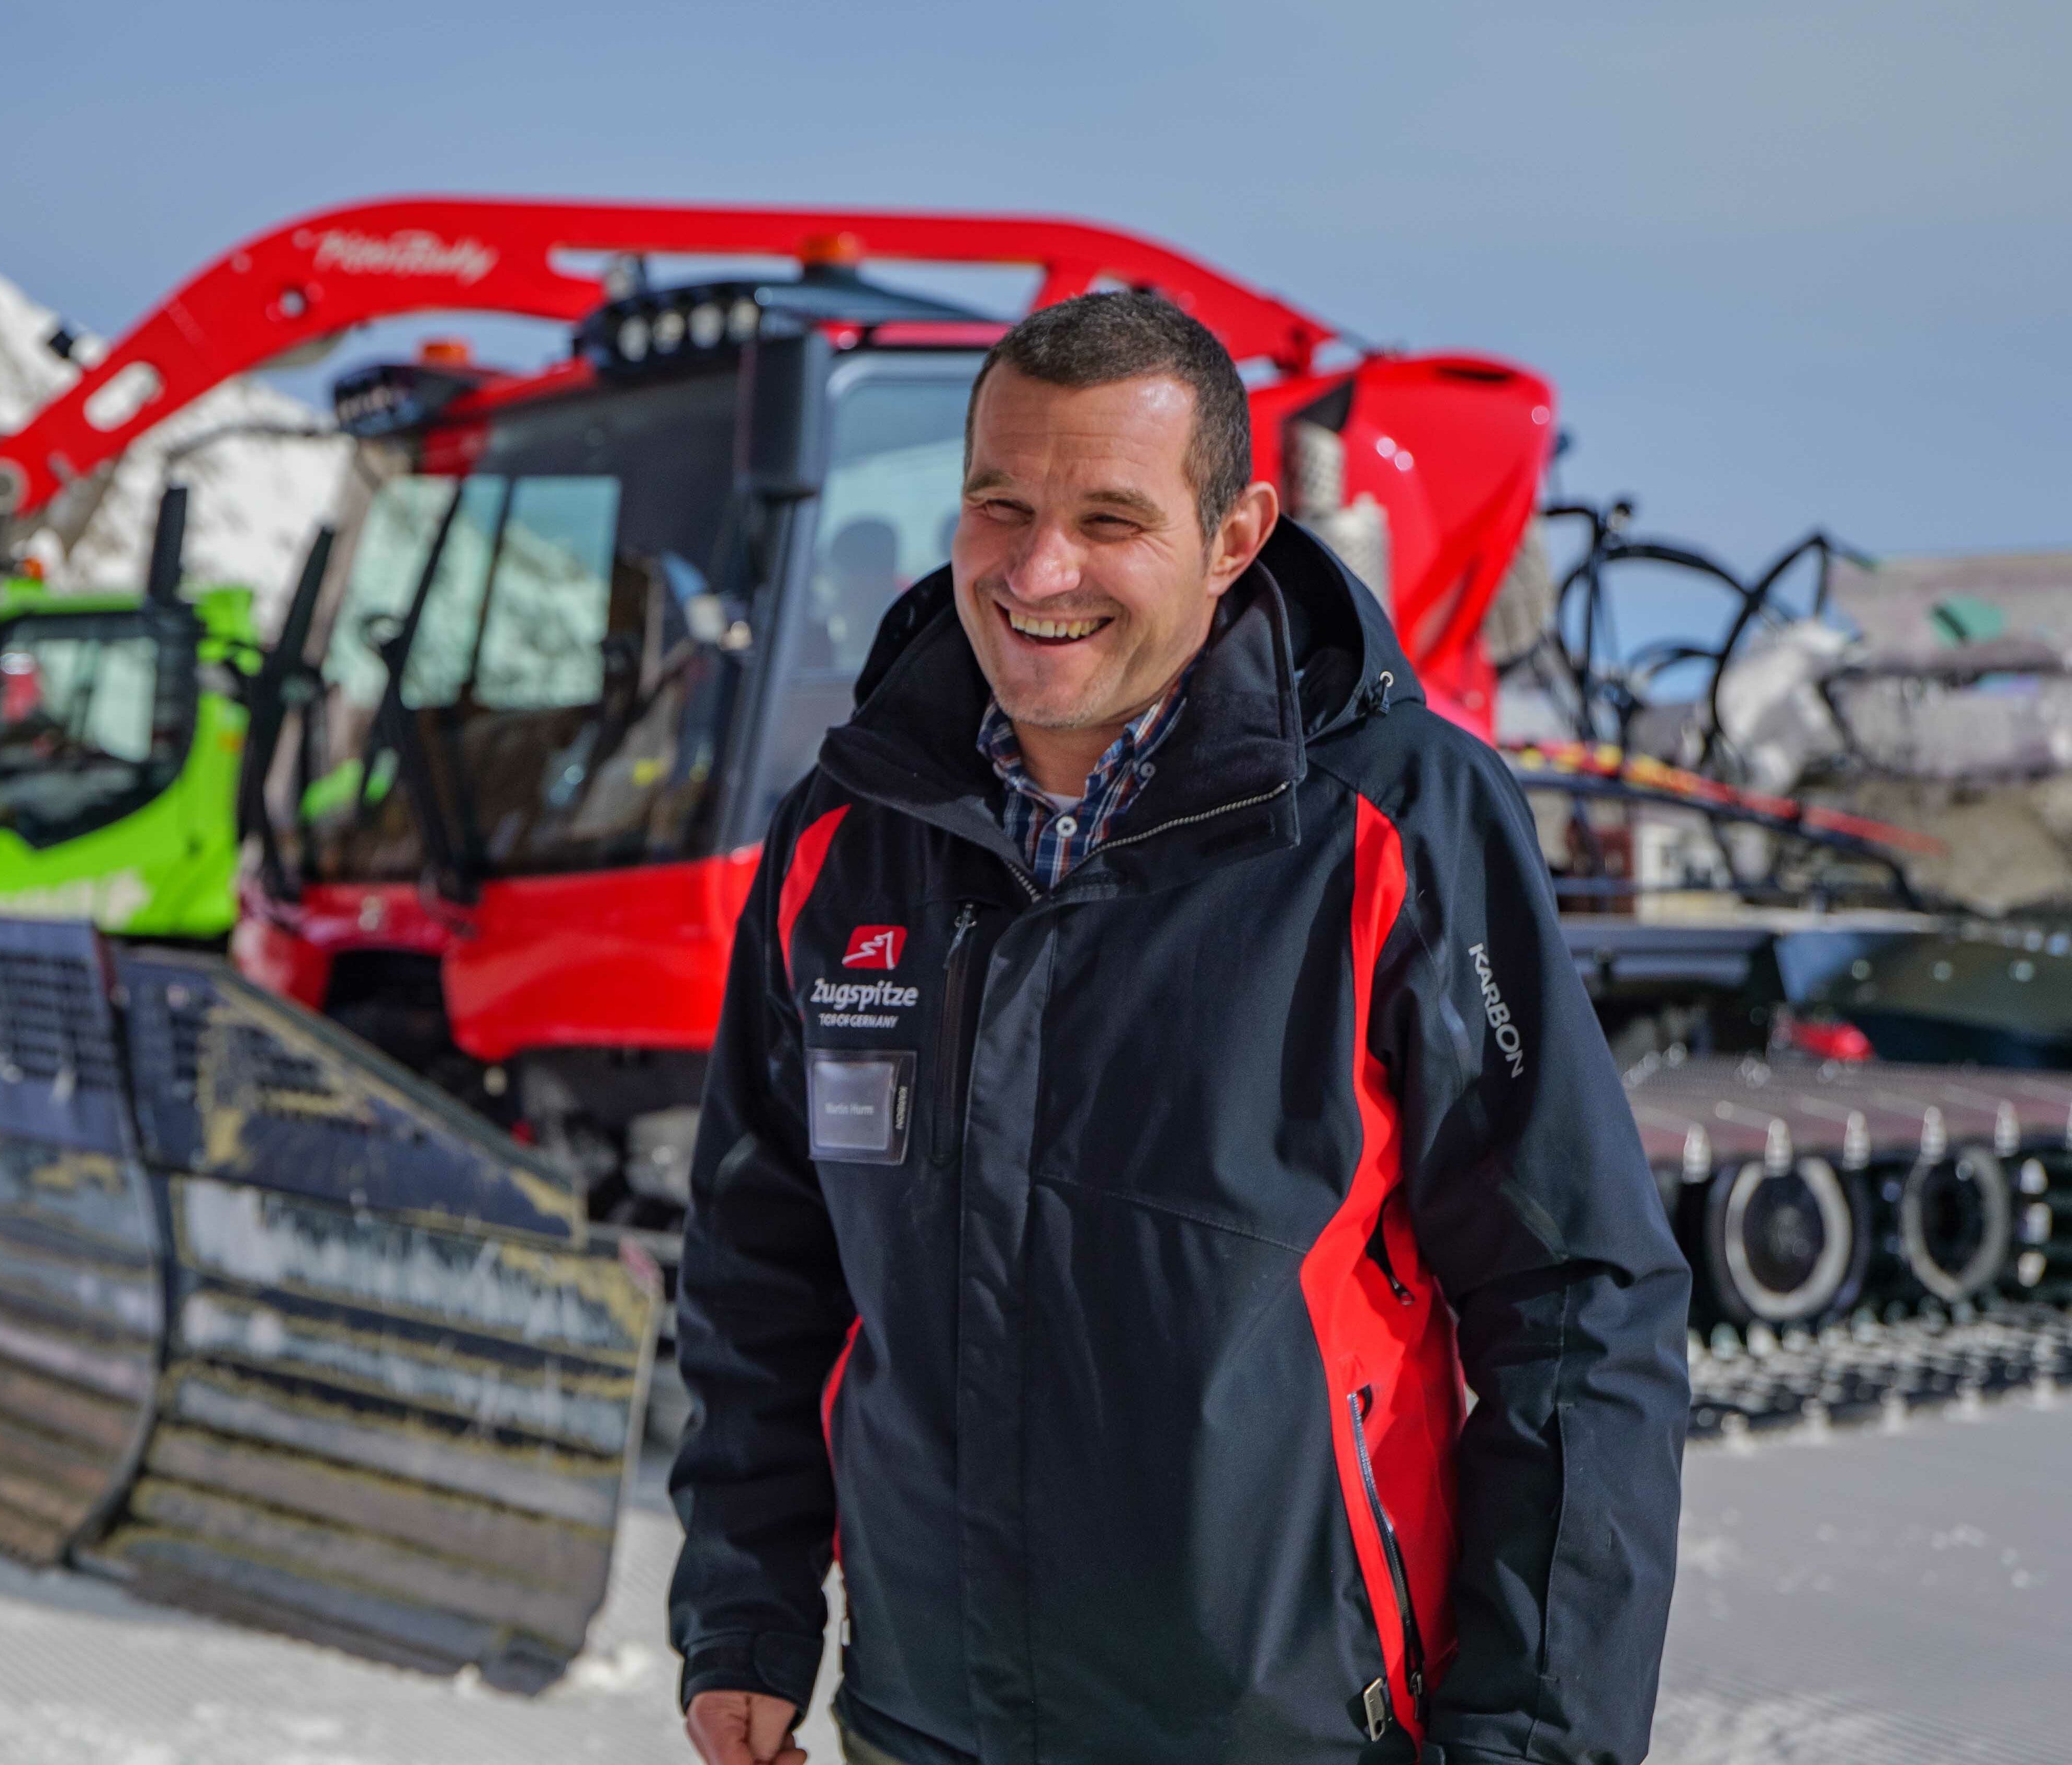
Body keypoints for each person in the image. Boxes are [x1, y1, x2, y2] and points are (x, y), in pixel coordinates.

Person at [668, 293, 1690, 1765]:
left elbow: (1581, 1303)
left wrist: (1532, 1737)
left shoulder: (1392, 828)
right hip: (926, 1721)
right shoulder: (846, 836)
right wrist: (745, 1608)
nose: (1040, 568)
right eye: (1001, 504)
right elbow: (763, 1256)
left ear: (1234, 535)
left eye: (1110, 518)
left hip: (1284, 1732)